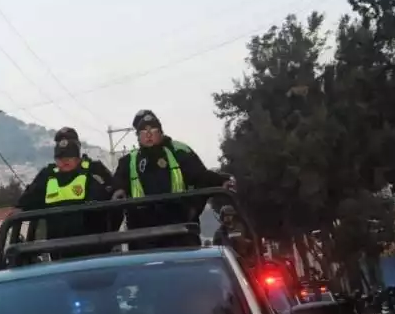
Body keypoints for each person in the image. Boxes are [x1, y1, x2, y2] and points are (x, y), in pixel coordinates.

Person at [112, 110, 234, 250]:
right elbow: (117, 182)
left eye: (153, 128)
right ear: (138, 137)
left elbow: (202, 176)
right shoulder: (129, 161)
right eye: (143, 131)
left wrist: (221, 181)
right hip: (143, 234)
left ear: (161, 132)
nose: (149, 134)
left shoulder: (178, 153)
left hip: (179, 230)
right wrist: (118, 190)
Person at [15, 132, 117, 259]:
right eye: (61, 157)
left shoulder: (94, 171)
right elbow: (23, 206)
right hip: (59, 254)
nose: (65, 161)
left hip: (95, 252)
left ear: (78, 157)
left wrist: (110, 240)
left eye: (70, 156)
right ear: (55, 159)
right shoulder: (47, 176)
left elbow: (116, 203)